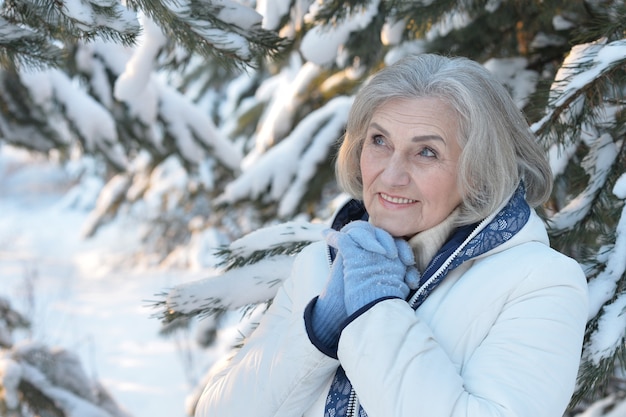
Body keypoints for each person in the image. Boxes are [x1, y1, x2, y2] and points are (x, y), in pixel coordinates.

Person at [194, 54, 588, 417]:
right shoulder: (322, 265)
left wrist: (377, 309)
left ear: (480, 171)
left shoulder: (541, 283)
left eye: (427, 152)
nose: (391, 174)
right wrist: (320, 330)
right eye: (379, 141)